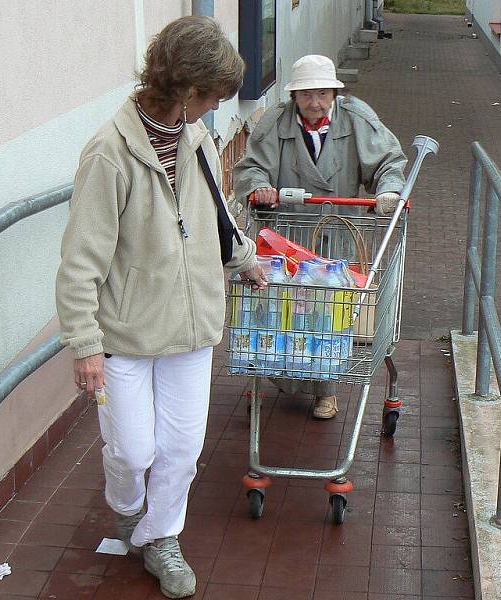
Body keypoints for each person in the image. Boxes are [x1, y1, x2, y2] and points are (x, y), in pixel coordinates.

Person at [55, 16, 266, 599]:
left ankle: (164, 538)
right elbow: (80, 260)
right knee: (131, 450)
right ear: (182, 87)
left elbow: (214, 220)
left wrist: (247, 260)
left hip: (192, 325)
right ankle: (127, 509)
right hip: (125, 331)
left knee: (180, 448)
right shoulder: (109, 153)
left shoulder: (196, 137)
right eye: (211, 95)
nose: (215, 106)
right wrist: (84, 343)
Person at [233, 54, 407, 419]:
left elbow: (389, 161)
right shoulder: (274, 124)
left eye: (323, 94)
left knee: (328, 313)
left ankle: (325, 389)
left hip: (338, 232)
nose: (315, 103)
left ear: (335, 93)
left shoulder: (357, 119)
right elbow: (250, 168)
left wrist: (388, 191)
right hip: (286, 237)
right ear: (294, 96)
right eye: (307, 94)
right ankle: (269, 373)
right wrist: (260, 187)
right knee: (280, 311)